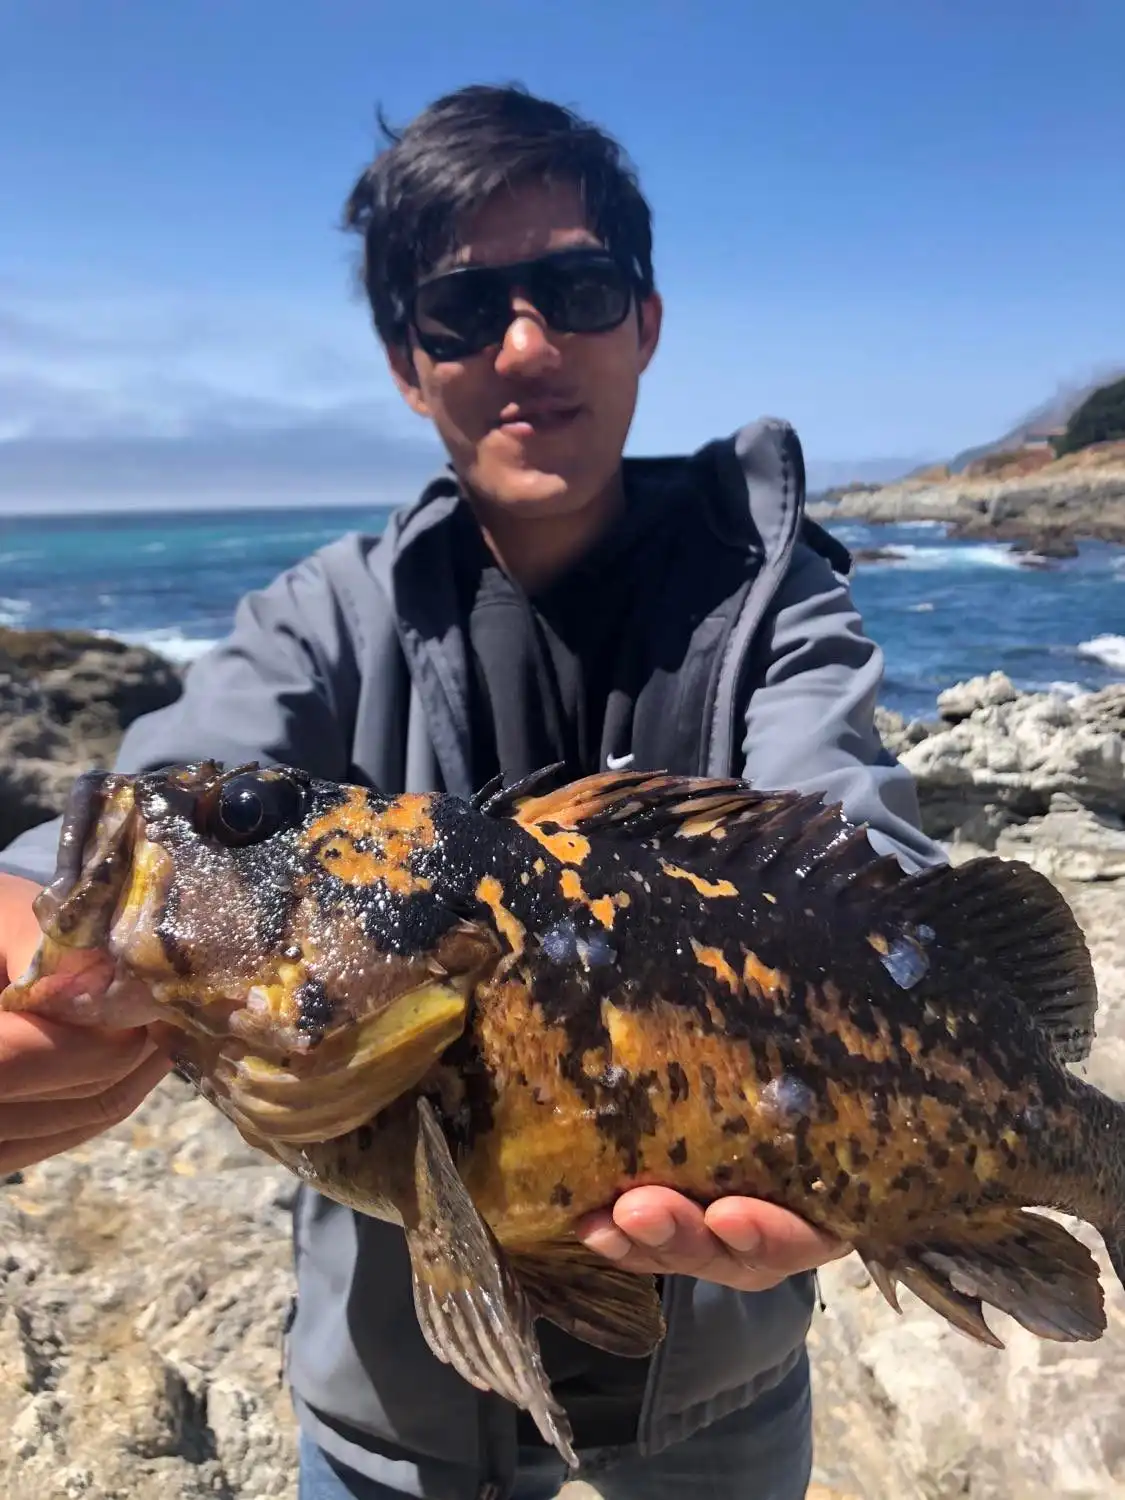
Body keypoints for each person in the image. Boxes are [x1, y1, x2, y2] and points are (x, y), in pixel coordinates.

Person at [0, 84, 944, 1500]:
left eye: (575, 286)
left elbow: (875, 859)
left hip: (720, 1415)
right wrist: (23, 925)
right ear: (404, 360)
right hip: (392, 1431)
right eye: (462, 311)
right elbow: (124, 814)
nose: (524, 344)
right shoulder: (323, 618)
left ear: (647, 319)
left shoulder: (778, 610)